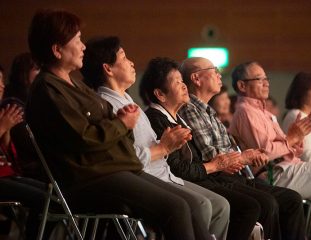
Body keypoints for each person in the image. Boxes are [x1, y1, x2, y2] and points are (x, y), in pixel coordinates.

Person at [26, 9, 211, 240]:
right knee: (177, 208)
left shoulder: (73, 84)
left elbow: (99, 125)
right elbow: (84, 138)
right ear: (57, 50)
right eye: (77, 40)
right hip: (88, 179)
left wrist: (119, 119)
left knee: (191, 204)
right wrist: (122, 123)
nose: (83, 46)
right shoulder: (48, 89)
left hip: (113, 169)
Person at [81, 36, 228, 240]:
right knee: (195, 204)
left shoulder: (127, 101)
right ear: (108, 69)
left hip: (162, 174)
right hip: (143, 177)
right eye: (124, 57)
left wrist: (169, 143)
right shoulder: (108, 105)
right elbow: (123, 157)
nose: (131, 63)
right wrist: (165, 147)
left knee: (210, 203)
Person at [178, 57, 306, 240]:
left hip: (233, 173)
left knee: (291, 199)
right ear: (197, 79)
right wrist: (243, 157)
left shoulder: (208, 110)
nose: (219, 74)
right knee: (266, 203)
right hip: (216, 176)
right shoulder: (189, 109)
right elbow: (212, 154)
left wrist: (246, 156)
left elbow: (228, 148)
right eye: (214, 70)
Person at [229, 62, 311, 239]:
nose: (267, 83)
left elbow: (284, 148)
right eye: (260, 79)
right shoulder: (246, 111)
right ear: (242, 85)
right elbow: (265, 154)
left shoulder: (265, 113)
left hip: (290, 170)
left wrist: (295, 143)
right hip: (273, 175)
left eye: (266, 79)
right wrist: (292, 139)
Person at [141, 57, 263, 239]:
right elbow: (178, 168)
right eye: (177, 82)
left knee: (260, 200)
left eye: (183, 81)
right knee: (233, 205)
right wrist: (216, 165)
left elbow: (198, 160)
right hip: (178, 179)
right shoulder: (157, 120)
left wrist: (221, 163)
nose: (184, 86)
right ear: (160, 94)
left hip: (202, 175)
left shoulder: (177, 118)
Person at [0, 103, 48, 239]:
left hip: (7, 174)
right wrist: (2, 127)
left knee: (52, 196)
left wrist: (7, 130)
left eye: (2, 82)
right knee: (44, 199)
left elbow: (6, 151)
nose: (2, 86)